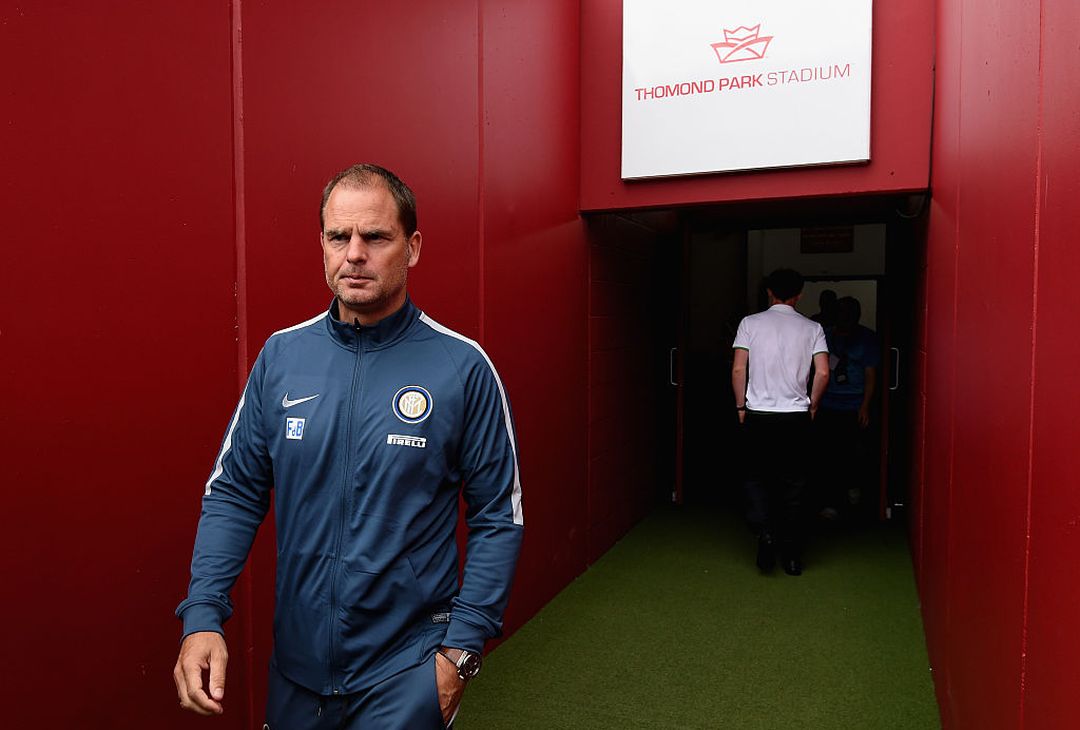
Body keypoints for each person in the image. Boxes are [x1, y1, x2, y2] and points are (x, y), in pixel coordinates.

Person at [173, 164, 524, 728]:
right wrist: (203, 615)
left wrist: (460, 654)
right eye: (339, 237)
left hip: (405, 673)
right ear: (323, 245)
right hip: (297, 671)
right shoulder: (282, 358)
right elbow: (235, 492)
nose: (354, 253)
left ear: (411, 248)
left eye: (375, 237)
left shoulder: (462, 368)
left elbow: (497, 517)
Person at [731, 269, 829, 576]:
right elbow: (823, 372)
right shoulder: (813, 328)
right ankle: (792, 555)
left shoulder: (750, 324)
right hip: (795, 417)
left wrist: (740, 406)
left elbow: (738, 369)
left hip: (758, 414)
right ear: (799, 295)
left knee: (756, 478)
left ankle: (765, 532)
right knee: (794, 483)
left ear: (769, 292)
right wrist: (812, 405)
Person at [815, 296, 881, 519]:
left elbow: (871, 374)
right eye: (841, 312)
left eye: (849, 313)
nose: (845, 317)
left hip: (853, 404)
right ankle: (830, 501)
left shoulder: (866, 338)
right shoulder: (824, 334)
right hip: (827, 402)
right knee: (827, 454)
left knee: (853, 453)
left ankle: (854, 489)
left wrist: (865, 405)